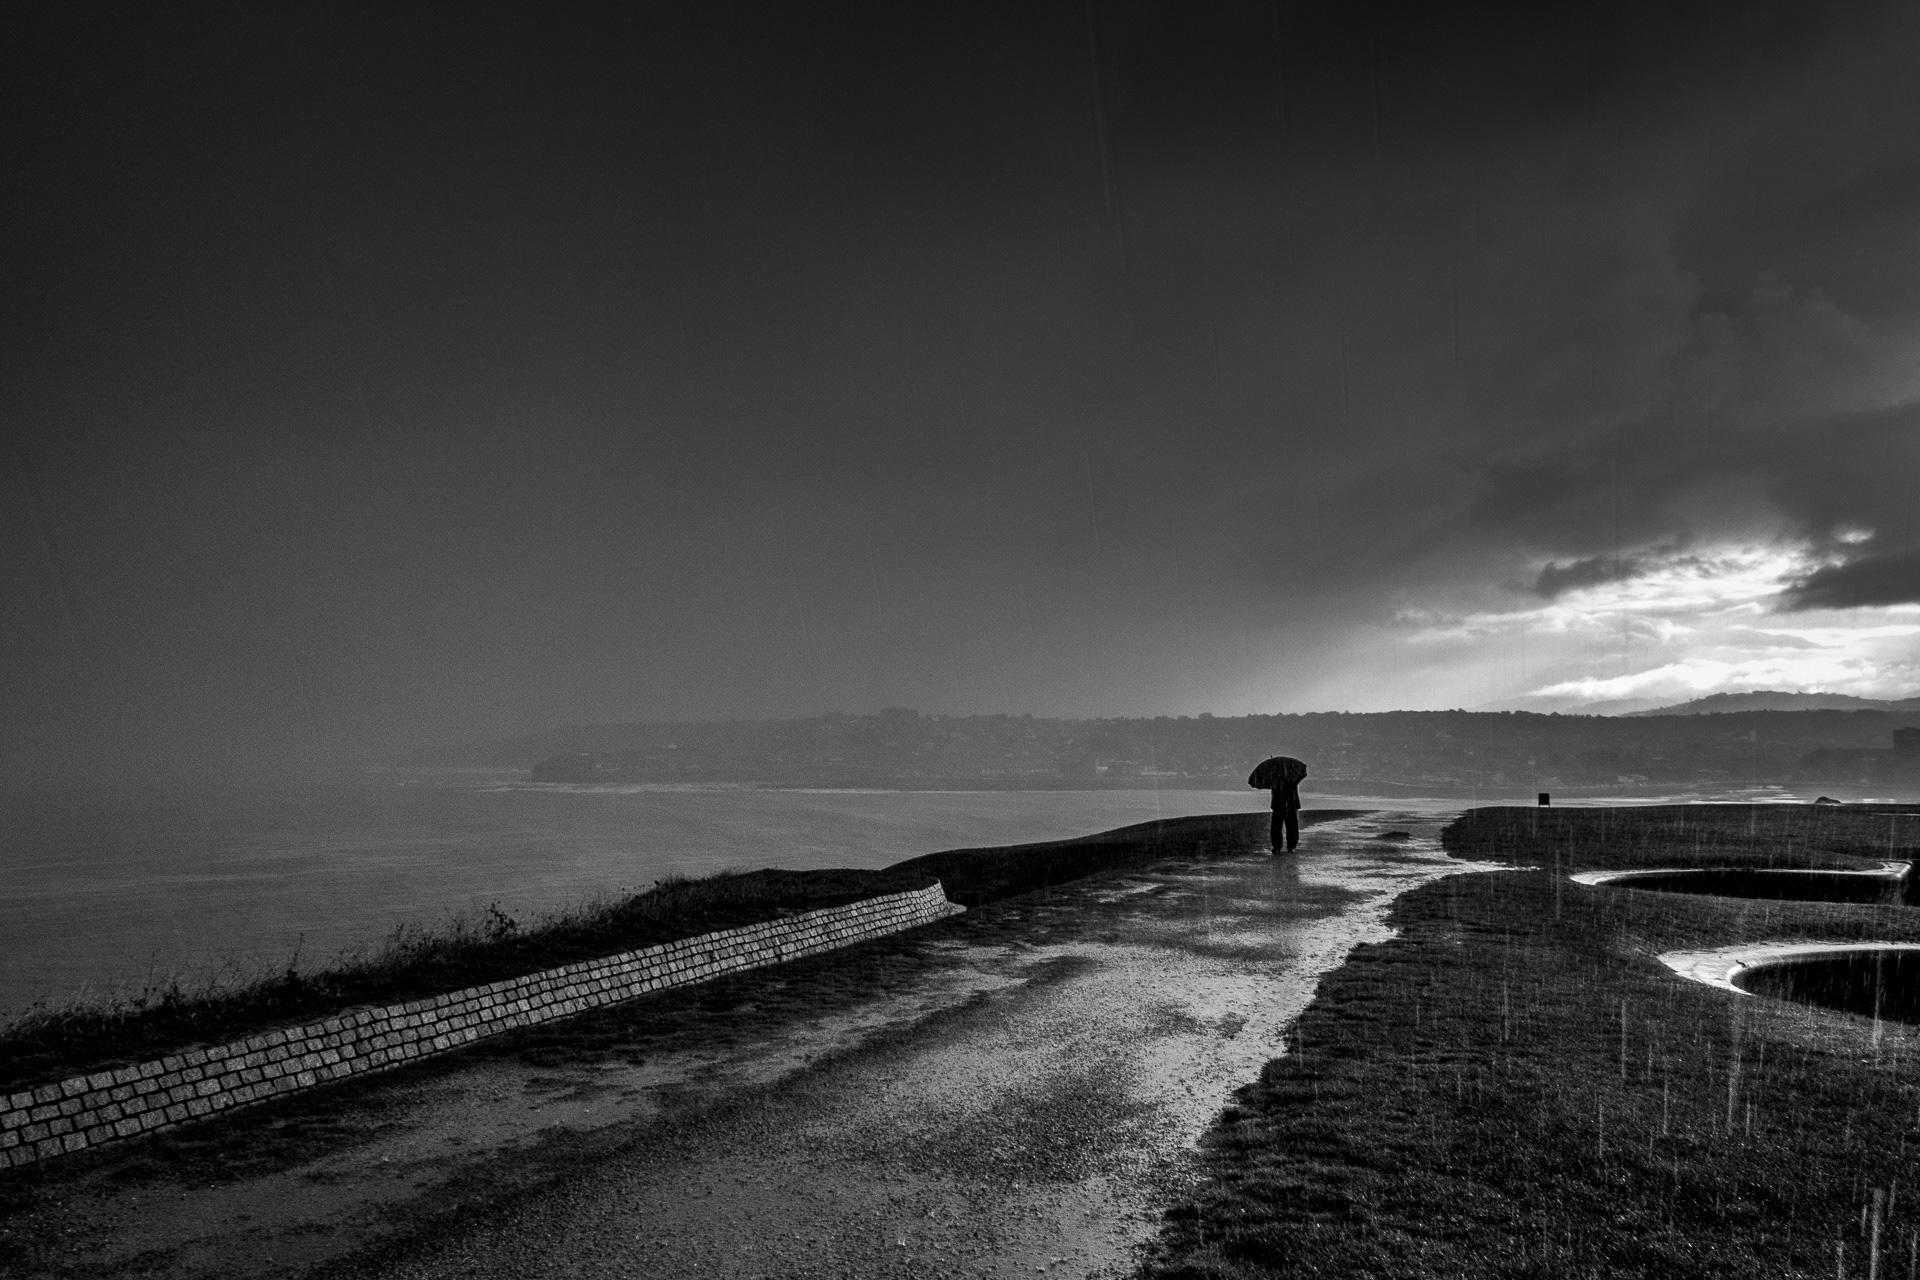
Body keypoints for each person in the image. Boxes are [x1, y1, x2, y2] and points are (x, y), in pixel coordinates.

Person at [1271, 772, 1301, 853]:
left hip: (1281, 804)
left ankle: (1278, 847)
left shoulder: (1274, 777)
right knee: (1291, 827)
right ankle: (1291, 846)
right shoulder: (1293, 776)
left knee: (1277, 827)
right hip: (1289, 804)